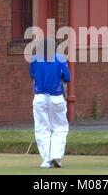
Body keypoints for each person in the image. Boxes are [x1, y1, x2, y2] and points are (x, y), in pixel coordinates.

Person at [29, 38, 70, 168]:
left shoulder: (35, 58)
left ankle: (46, 160)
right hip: (56, 97)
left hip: (40, 97)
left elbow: (31, 75)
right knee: (59, 128)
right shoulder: (60, 58)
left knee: (42, 129)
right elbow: (67, 78)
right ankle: (55, 155)